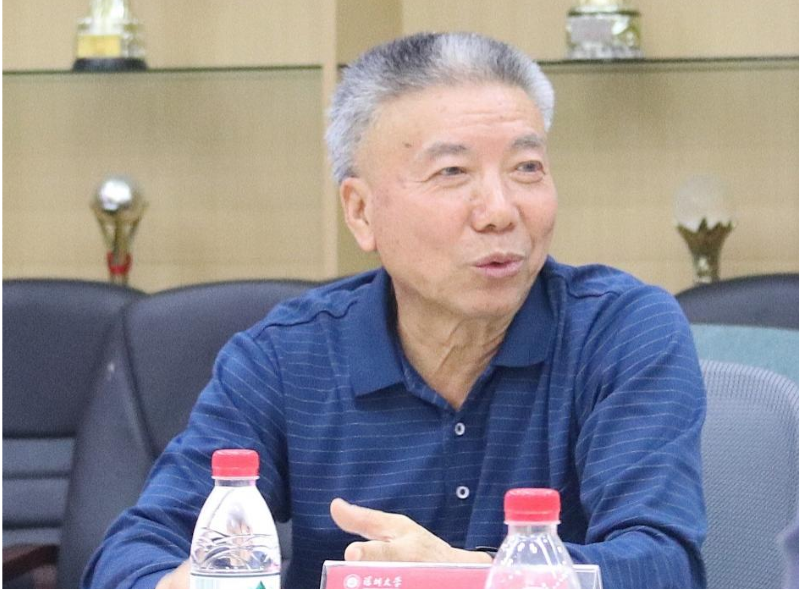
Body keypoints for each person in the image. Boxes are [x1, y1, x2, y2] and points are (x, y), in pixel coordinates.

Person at [82, 32, 707, 590]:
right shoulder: (284, 358)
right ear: (361, 211)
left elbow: (663, 565)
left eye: (527, 168)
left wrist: (475, 579)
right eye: (453, 171)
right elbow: (132, 554)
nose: (499, 210)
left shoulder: (620, 332)